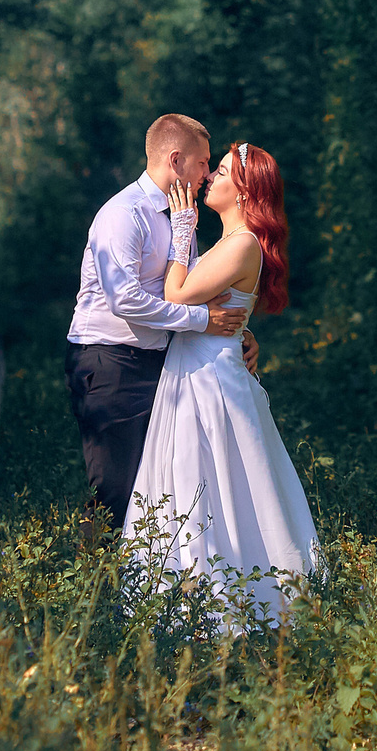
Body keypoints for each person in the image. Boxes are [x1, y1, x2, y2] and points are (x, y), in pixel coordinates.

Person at [121, 141, 320, 626]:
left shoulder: (243, 243)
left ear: (246, 193)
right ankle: (187, 596)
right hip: (197, 370)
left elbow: (176, 296)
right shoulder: (230, 242)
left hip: (210, 380)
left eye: (225, 172)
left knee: (215, 480)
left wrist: (181, 230)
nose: (211, 177)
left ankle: (233, 603)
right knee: (192, 478)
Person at [66, 114, 250, 534]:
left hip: (160, 362)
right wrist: (202, 321)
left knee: (157, 484)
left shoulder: (180, 215)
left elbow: (193, 287)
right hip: (108, 361)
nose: (206, 173)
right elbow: (125, 300)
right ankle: (90, 571)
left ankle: (144, 574)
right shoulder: (123, 214)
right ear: (176, 159)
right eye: (203, 162)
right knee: (115, 486)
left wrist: (240, 330)